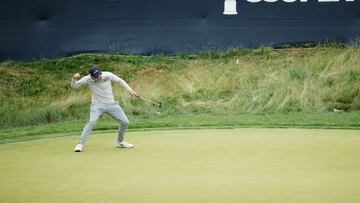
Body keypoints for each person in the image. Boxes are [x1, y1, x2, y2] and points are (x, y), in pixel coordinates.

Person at [71, 65, 138, 152]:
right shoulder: (87, 79)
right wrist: (73, 79)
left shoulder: (107, 75)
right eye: (96, 76)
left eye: (99, 75)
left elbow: (120, 81)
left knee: (125, 122)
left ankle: (120, 142)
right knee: (91, 122)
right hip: (97, 105)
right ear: (91, 76)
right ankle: (80, 144)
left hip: (111, 104)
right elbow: (75, 86)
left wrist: (130, 90)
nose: (98, 77)